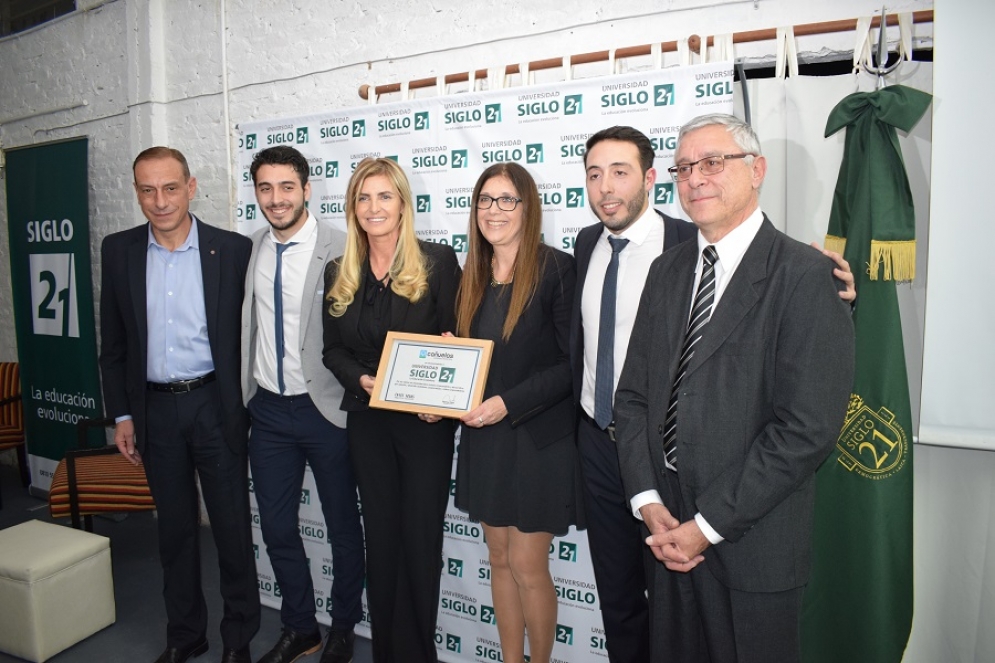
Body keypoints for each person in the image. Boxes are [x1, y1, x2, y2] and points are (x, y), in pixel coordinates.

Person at [570, 125, 856, 663]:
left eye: (713, 163)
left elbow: (805, 431)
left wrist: (705, 527)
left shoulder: (805, 276)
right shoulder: (668, 271)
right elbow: (632, 398)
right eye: (684, 168)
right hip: (669, 533)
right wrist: (647, 501)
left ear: (757, 169)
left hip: (751, 542)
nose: (695, 178)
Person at [99, 147, 259, 663]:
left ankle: (238, 640)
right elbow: (114, 344)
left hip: (215, 405)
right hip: (154, 412)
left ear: (191, 187)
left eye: (170, 188)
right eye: (147, 189)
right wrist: (122, 415)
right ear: (136, 192)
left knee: (232, 531)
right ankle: (185, 635)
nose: (159, 200)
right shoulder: (118, 250)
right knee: (174, 533)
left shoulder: (232, 250)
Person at [322, 157, 461, 663]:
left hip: (424, 426)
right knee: (380, 539)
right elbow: (331, 350)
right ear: (352, 207)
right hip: (368, 422)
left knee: (420, 543)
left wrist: (439, 404)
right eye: (363, 197)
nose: (373, 207)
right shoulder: (340, 271)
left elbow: (458, 341)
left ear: (403, 203)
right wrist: (363, 379)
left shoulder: (439, 263)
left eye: (384, 196)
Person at [453, 163, 583, 663]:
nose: (494, 210)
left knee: (529, 565)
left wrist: (508, 402)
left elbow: (571, 365)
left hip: (537, 439)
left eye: (507, 200)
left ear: (527, 208)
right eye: (485, 200)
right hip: (486, 438)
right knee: (499, 560)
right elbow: (472, 355)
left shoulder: (556, 269)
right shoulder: (473, 275)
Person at [241, 146, 364, 663]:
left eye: (286, 187)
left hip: (328, 411)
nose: (276, 198)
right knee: (275, 527)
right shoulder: (246, 250)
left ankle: (341, 627)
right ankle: (299, 626)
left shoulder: (343, 247)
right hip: (267, 411)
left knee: (341, 526)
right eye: (265, 188)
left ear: (307, 189)